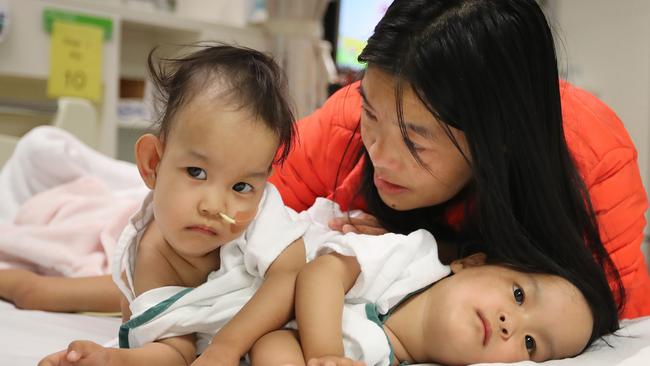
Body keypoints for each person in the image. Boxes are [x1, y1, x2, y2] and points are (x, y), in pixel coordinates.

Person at [268, 0, 650, 319]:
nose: (379, 155)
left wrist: (421, 253)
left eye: (414, 143)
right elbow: (244, 221)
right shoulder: (348, 121)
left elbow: (607, 324)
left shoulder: (593, 161)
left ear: (498, 140)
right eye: (370, 114)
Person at [38, 44, 308, 366]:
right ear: (153, 162)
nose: (213, 205)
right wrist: (111, 359)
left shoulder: (260, 213)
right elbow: (174, 351)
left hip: (299, 313)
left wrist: (226, 347)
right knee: (36, 292)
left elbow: (291, 274)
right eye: (197, 173)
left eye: (241, 186)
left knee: (275, 347)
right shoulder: (155, 256)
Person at [248, 219, 618, 366]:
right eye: (519, 295)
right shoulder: (411, 259)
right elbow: (320, 274)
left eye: (531, 344)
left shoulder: (384, 357)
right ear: (472, 263)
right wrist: (326, 355)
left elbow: (272, 344)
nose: (511, 324)